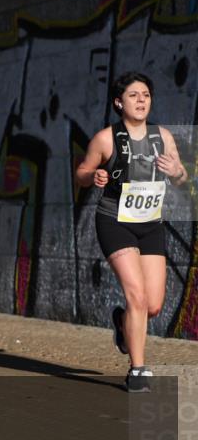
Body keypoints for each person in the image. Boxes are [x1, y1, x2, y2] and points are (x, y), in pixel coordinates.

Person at [75, 72, 188, 392]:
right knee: (136, 295)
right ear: (118, 102)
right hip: (115, 222)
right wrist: (93, 176)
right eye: (134, 95)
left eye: (146, 95)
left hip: (150, 224)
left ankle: (124, 328)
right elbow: (82, 171)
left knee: (152, 305)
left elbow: (180, 178)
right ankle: (137, 369)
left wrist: (176, 171)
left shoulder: (163, 136)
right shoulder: (105, 139)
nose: (141, 101)